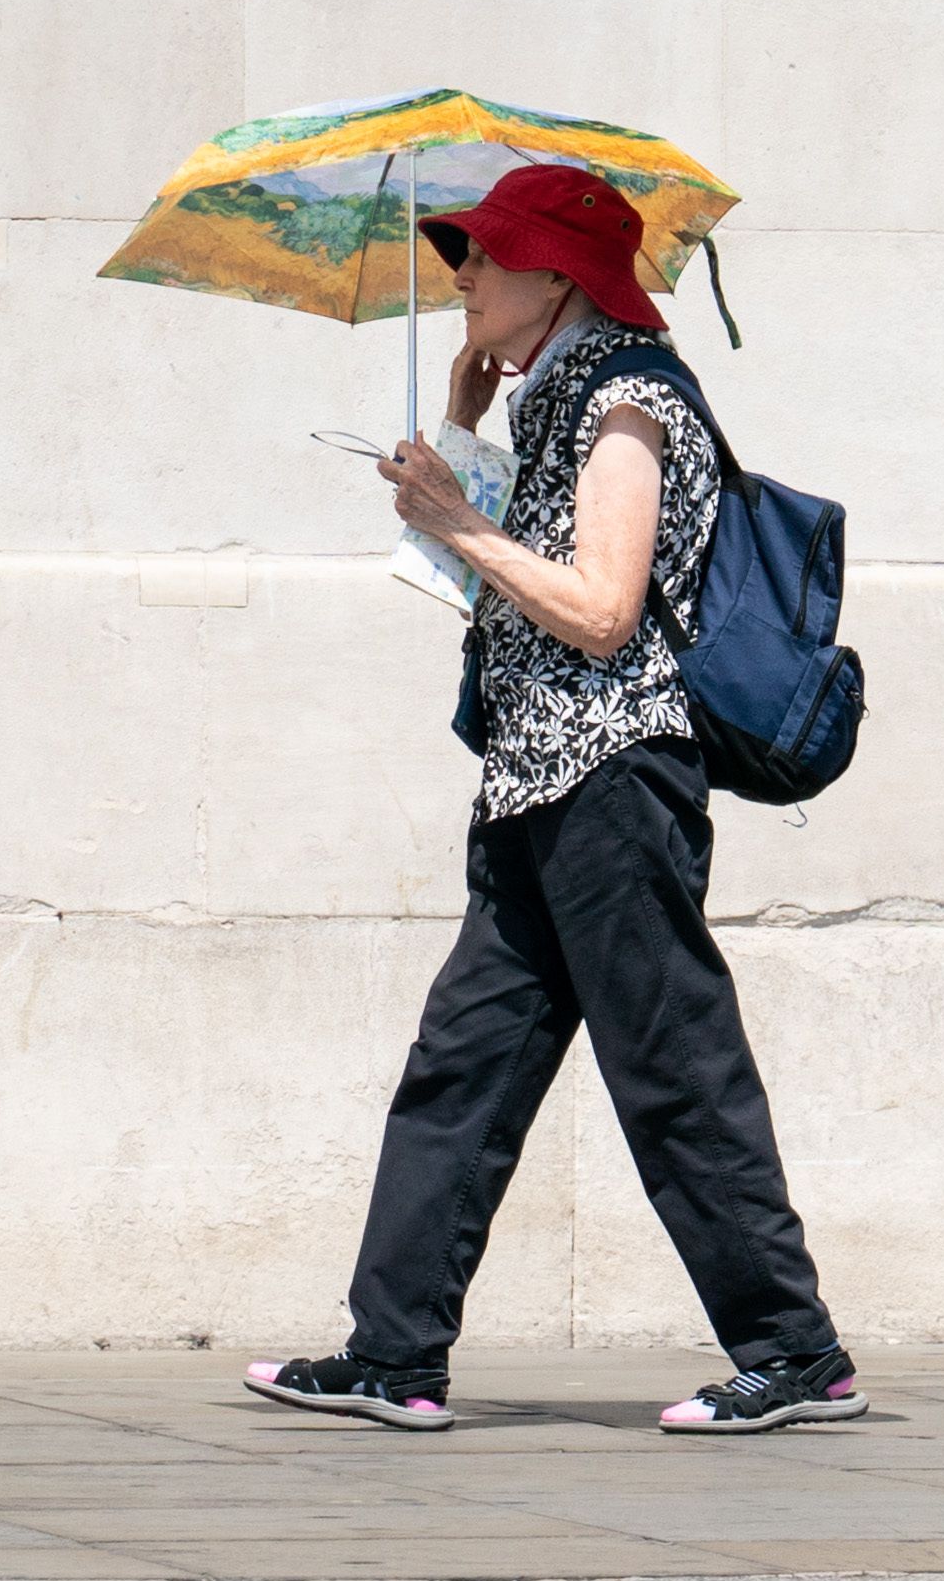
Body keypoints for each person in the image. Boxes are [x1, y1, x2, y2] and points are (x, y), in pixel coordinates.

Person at [242, 163, 862, 1437]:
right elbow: (491, 602)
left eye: (481, 252)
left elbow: (600, 611)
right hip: (536, 783)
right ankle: (394, 1354)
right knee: (459, 1070)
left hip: (614, 785)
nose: (458, 273)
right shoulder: (558, 398)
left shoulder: (629, 401)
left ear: (560, 273)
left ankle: (796, 1353)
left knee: (673, 1070)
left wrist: (463, 517)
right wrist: (465, 442)